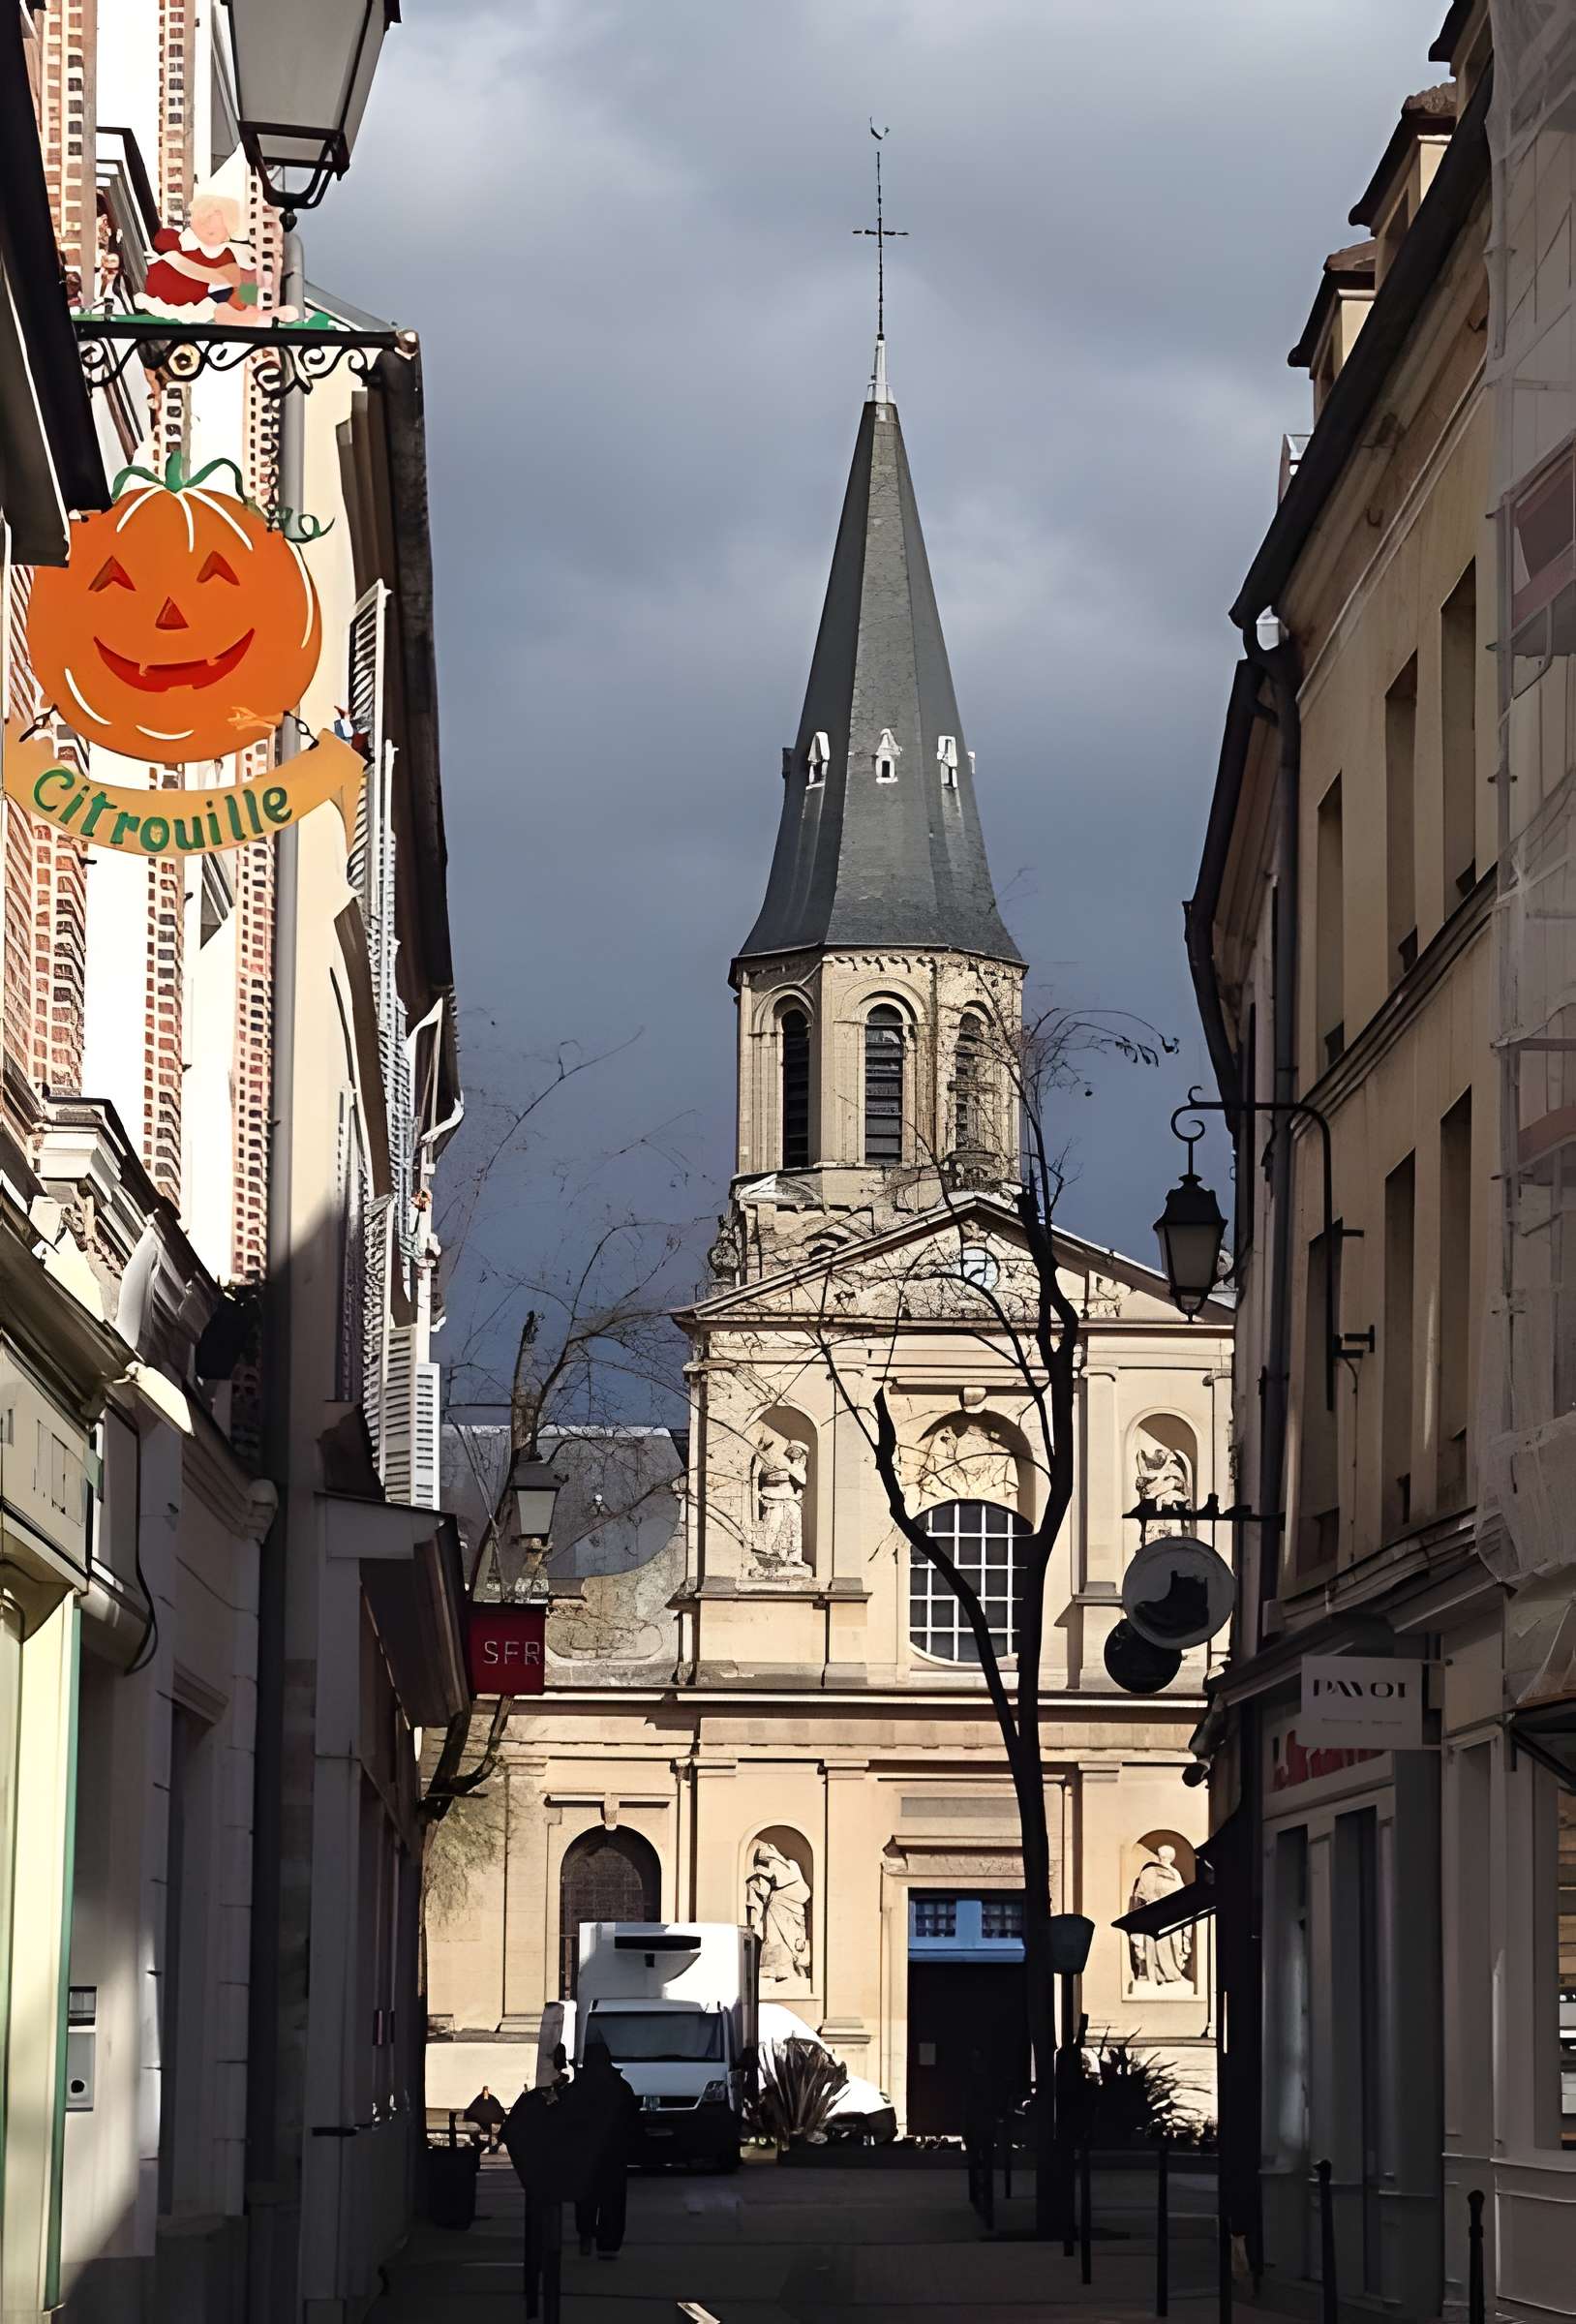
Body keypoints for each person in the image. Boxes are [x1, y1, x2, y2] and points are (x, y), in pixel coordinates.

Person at [570, 2041, 639, 2260]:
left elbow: (568, 2119)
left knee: (585, 2197)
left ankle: (586, 2234)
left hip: (585, 2151)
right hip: (613, 2152)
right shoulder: (620, 2087)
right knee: (613, 2199)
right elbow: (633, 2120)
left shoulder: (579, 2088)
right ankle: (608, 2243)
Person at [463, 2084, 506, 2153]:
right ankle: (485, 2095)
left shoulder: (487, 2141)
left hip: (485, 2117)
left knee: (482, 2112)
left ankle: (485, 2095)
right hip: (486, 2117)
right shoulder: (486, 2142)